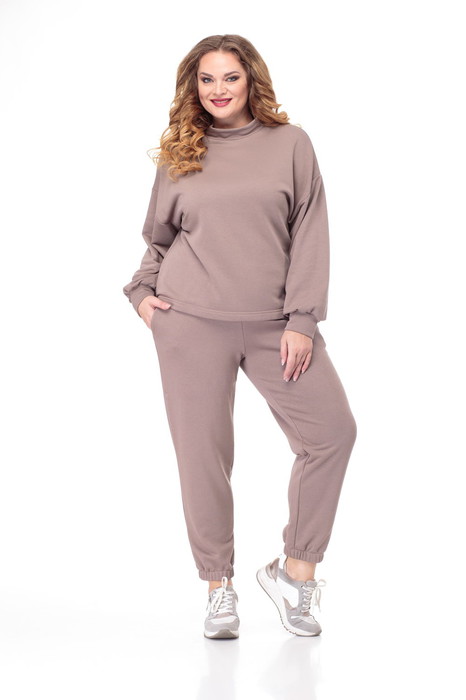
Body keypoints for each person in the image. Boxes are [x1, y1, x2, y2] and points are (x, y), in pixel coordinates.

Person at [122, 34, 357, 640]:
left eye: (230, 77)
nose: (218, 90)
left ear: (252, 79)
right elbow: (159, 238)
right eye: (207, 79)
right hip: (191, 322)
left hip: (277, 325)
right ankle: (218, 587)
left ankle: (295, 574)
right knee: (203, 454)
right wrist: (143, 296)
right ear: (193, 86)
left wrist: (302, 319)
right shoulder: (181, 150)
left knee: (331, 433)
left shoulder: (290, 143)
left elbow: (310, 229)